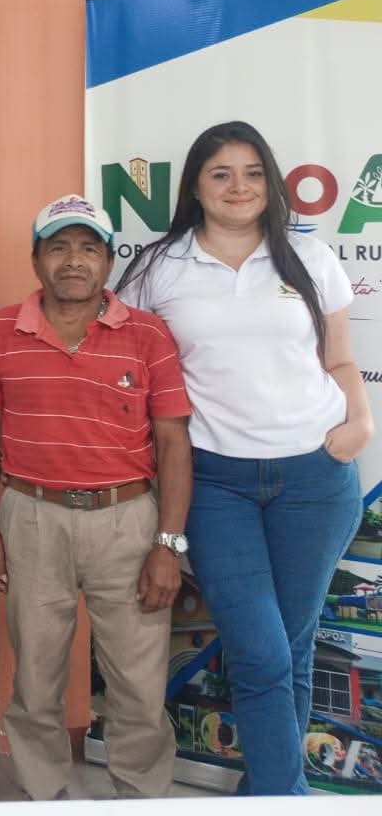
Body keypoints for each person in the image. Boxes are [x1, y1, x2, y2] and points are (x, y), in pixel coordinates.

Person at [117, 121, 373, 796]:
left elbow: (341, 360)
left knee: (290, 647)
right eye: (221, 173)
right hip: (215, 482)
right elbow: (130, 371)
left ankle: (266, 788)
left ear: (272, 182)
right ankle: (285, 798)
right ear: (195, 186)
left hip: (315, 478)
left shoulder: (307, 256)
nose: (239, 187)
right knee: (261, 652)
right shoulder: (159, 267)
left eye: (253, 172)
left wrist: (360, 425)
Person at [0, 195, 192, 802]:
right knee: (36, 677)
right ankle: (43, 792)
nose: (73, 261)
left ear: (108, 261)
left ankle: (141, 795)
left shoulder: (147, 334)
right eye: (59, 247)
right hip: (31, 516)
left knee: (139, 683)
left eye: (89, 248)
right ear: (36, 258)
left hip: (128, 521)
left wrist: (168, 544)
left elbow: (173, 441)